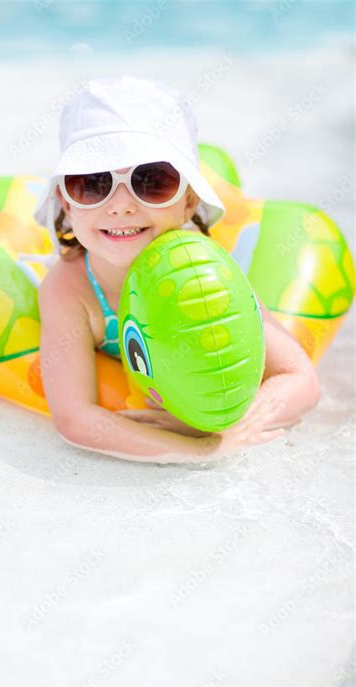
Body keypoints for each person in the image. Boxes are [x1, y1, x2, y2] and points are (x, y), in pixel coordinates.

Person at [34, 75, 320, 464]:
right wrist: (200, 449)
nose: (120, 207)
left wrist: (230, 424)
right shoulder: (71, 290)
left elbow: (299, 380)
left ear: (188, 202)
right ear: (65, 203)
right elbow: (75, 418)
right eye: (93, 183)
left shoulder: (204, 276)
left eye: (151, 181)